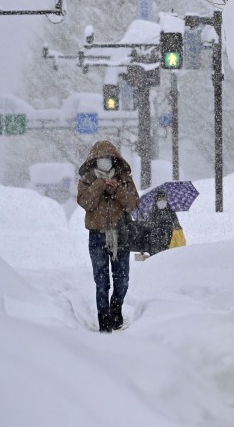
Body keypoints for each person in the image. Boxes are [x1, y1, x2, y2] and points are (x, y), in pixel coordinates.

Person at [77, 140, 139, 332]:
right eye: (100, 159)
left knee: (122, 280)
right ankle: (104, 320)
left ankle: (116, 309)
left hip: (121, 234)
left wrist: (116, 189)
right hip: (97, 236)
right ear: (94, 161)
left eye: (108, 159)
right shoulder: (87, 180)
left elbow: (133, 204)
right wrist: (99, 186)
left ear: (114, 160)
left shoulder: (124, 178)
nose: (105, 162)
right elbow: (85, 202)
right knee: (101, 281)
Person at [146, 189, 182, 255]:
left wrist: (176, 226)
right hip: (156, 243)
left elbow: (176, 223)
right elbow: (149, 227)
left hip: (170, 240)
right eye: (160, 199)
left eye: (164, 198)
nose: (162, 201)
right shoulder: (152, 212)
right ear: (156, 200)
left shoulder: (170, 210)